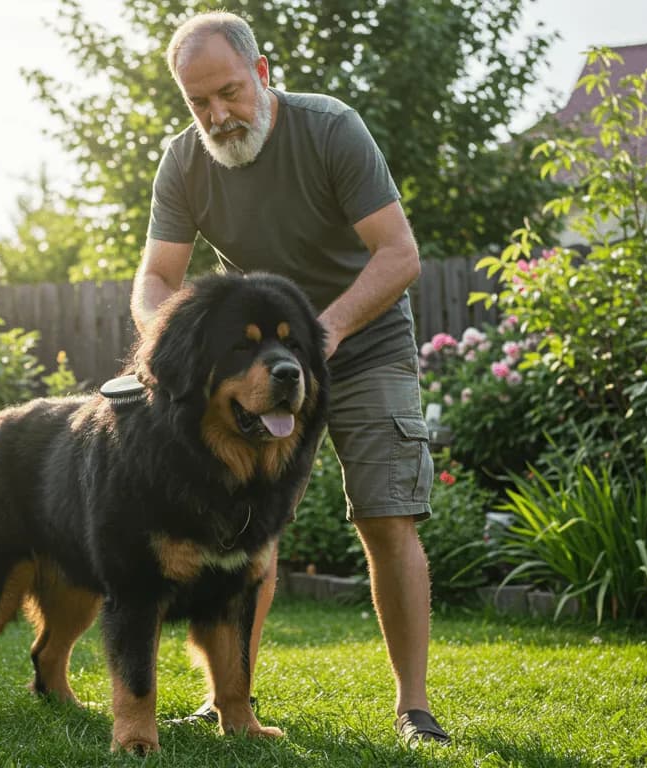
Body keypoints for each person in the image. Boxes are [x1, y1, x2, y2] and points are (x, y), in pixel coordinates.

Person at [128, 10, 450, 749]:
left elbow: (399, 255)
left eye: (231, 93)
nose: (218, 115)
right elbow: (157, 275)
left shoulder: (330, 129)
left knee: (385, 516)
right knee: (247, 531)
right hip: (267, 367)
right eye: (199, 102)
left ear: (263, 73)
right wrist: (161, 339)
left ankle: (414, 708)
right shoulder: (184, 163)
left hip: (361, 341)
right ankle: (228, 703)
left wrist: (321, 338)